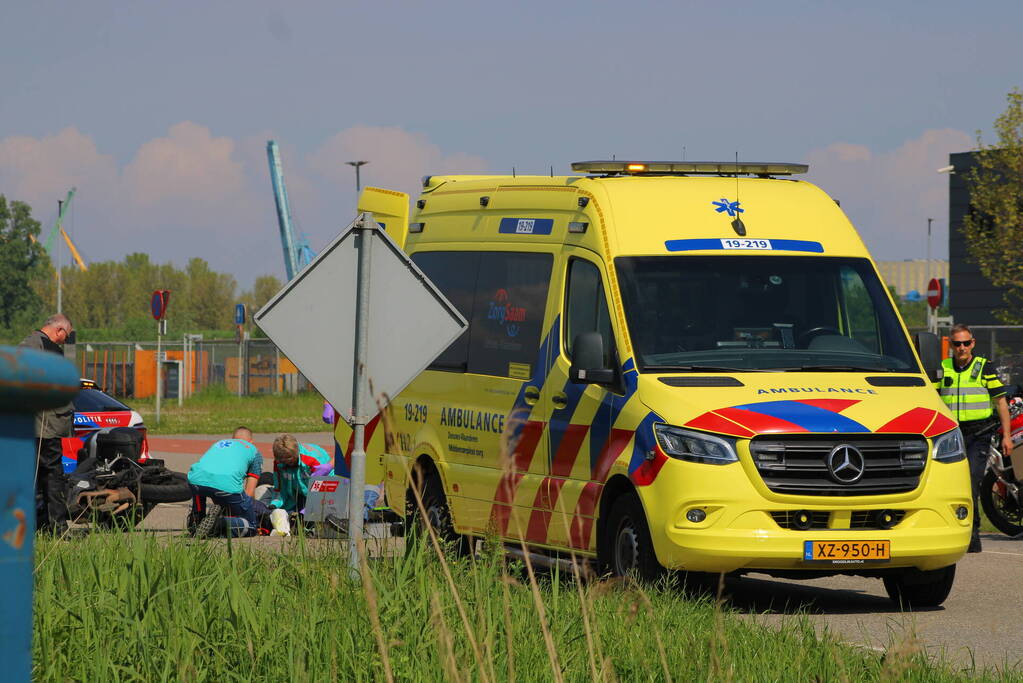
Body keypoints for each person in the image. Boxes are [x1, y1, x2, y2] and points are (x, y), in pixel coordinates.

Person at [936, 324, 1013, 553]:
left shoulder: (984, 367)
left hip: (979, 434)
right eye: (957, 343)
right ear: (951, 345)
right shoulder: (943, 368)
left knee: (970, 479)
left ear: (973, 343)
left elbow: (1001, 402)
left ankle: (972, 534)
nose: (962, 348)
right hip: (951, 434)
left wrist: (1006, 437)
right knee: (944, 484)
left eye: (966, 343)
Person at [19, 313, 75, 532]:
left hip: (44, 424)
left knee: (42, 475)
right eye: (66, 336)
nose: (65, 340)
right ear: (59, 330)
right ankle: (57, 526)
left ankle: (40, 524)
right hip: (44, 425)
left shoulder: (39, 344)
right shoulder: (33, 345)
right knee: (52, 476)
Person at [187, 426, 268, 537]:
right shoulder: (254, 451)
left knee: (200, 487)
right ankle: (219, 524)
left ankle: (196, 520)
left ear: (233, 438)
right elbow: (249, 493)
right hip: (227, 486)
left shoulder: (220, 443)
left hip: (195, 480)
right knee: (251, 526)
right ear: (251, 442)